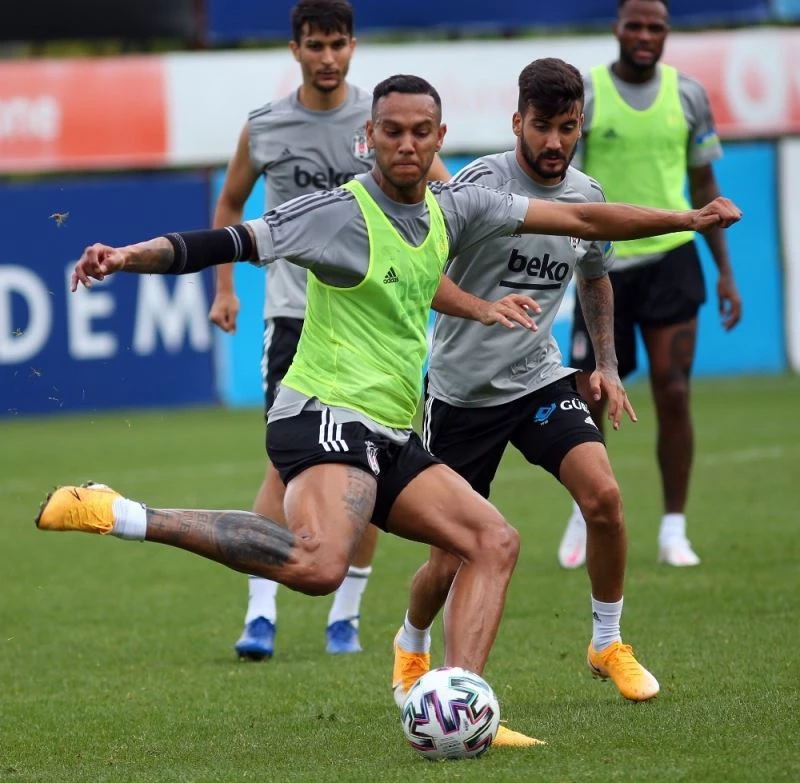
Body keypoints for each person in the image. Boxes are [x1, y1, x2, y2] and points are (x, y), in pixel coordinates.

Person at [37, 74, 741, 747]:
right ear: (369, 136)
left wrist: (688, 217)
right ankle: (122, 513)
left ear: (440, 138)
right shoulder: (336, 213)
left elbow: (583, 218)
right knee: (319, 567)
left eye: (421, 132)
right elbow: (232, 240)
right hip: (324, 411)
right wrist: (128, 256)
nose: (408, 144)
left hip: (392, 429)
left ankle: (463, 704)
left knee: (493, 541)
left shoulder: (454, 207)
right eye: (393, 131)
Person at [391, 57, 660, 712]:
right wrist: (482, 308)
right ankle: (411, 641)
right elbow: (424, 271)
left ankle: (607, 641)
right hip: (461, 394)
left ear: (580, 124)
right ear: (517, 121)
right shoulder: (480, 185)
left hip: (538, 380)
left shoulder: (587, 196)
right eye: (542, 126)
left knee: (604, 498)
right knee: (448, 559)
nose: (554, 142)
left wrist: (606, 364)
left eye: (567, 127)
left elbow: (595, 275)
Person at [208, 0, 450, 659]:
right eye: (314, 45)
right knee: (282, 462)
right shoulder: (266, 125)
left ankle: (346, 615)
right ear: (295, 50)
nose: (327, 57)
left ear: (352, 46)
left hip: (377, 317)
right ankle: (261, 611)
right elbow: (230, 203)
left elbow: (445, 198)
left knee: (368, 462)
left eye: (337, 43)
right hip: (295, 314)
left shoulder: (383, 120)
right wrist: (225, 289)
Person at [559, 0, 743, 570]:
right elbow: (563, 178)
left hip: (672, 259)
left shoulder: (688, 94)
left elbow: (702, 180)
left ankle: (673, 529)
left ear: (666, 32)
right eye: (634, 25)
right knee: (590, 395)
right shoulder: (587, 93)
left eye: (655, 27)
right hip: (601, 264)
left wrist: (725, 271)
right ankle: (585, 513)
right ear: (617, 28)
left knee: (675, 391)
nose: (644, 35)